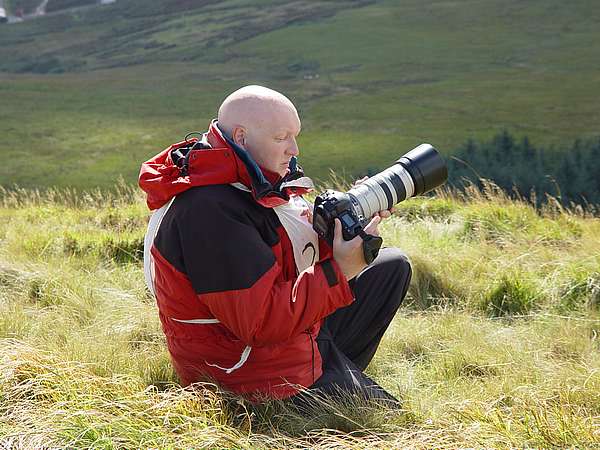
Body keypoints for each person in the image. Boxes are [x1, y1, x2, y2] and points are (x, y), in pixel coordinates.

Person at [139, 85, 412, 403]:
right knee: (385, 416)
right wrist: (339, 269)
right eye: (281, 138)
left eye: (295, 136)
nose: (293, 149)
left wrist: (337, 234)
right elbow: (261, 323)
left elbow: (285, 258)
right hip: (250, 377)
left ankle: (334, 372)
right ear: (241, 137)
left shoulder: (254, 179)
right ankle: (319, 390)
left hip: (283, 339)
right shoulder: (210, 210)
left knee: (390, 267)